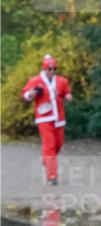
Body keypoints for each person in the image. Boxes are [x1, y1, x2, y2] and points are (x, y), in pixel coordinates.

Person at [22, 54, 72, 185]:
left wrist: (68, 96)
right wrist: (31, 94)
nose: (52, 71)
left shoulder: (62, 81)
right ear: (44, 69)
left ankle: (47, 160)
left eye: (54, 68)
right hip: (44, 118)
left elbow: (66, 91)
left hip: (59, 118)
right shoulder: (35, 81)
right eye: (49, 69)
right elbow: (26, 95)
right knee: (49, 145)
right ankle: (52, 176)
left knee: (58, 144)